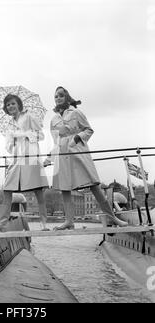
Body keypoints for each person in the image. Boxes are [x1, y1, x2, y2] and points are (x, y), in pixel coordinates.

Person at [43, 86, 128, 230]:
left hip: (78, 151)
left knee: (94, 185)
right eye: (56, 96)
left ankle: (112, 218)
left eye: (61, 96)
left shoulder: (76, 112)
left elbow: (89, 129)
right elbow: (56, 142)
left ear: (67, 97)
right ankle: (69, 221)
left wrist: (78, 137)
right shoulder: (53, 120)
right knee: (65, 188)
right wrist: (49, 158)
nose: (58, 98)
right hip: (62, 156)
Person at [0, 94, 49, 231]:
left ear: (18, 104)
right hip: (16, 159)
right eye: (8, 105)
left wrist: (26, 134)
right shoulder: (9, 125)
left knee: (38, 190)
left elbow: (41, 135)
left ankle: (43, 222)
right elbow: (8, 148)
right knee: (7, 188)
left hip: (30, 157)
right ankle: (1, 221)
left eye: (13, 103)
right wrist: (12, 140)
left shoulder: (29, 117)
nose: (10, 107)